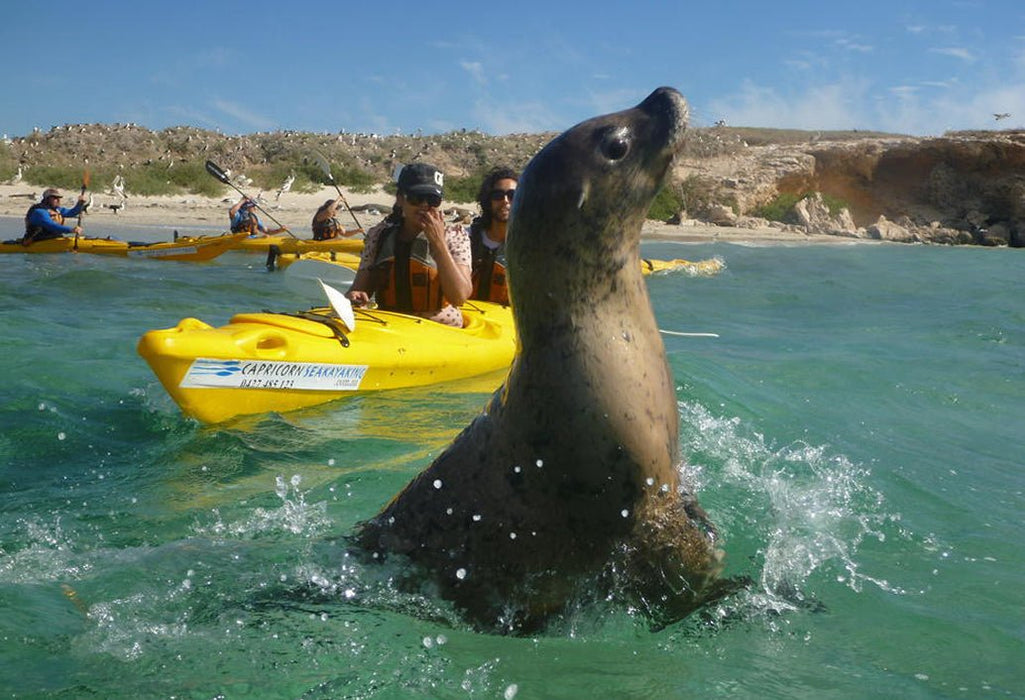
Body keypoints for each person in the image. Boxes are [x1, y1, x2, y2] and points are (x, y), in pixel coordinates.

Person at [345, 163, 472, 327]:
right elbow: (358, 289)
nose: (425, 205)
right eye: (416, 198)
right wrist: (355, 297)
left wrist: (439, 244)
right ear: (400, 199)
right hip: (391, 326)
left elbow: (459, 297)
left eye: (433, 200)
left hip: (441, 330)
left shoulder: (455, 236)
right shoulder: (379, 236)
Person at [467, 167, 518, 304]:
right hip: (468, 319)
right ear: (488, 201)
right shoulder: (466, 239)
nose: (505, 201)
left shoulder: (528, 247)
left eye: (512, 195)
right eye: (498, 195)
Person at [23, 188, 87, 244]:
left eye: (59, 198)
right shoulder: (39, 212)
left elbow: (72, 212)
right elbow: (52, 226)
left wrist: (80, 204)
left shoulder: (57, 210)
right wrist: (71, 230)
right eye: (55, 198)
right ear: (47, 199)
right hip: (37, 240)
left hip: (52, 238)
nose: (58, 200)